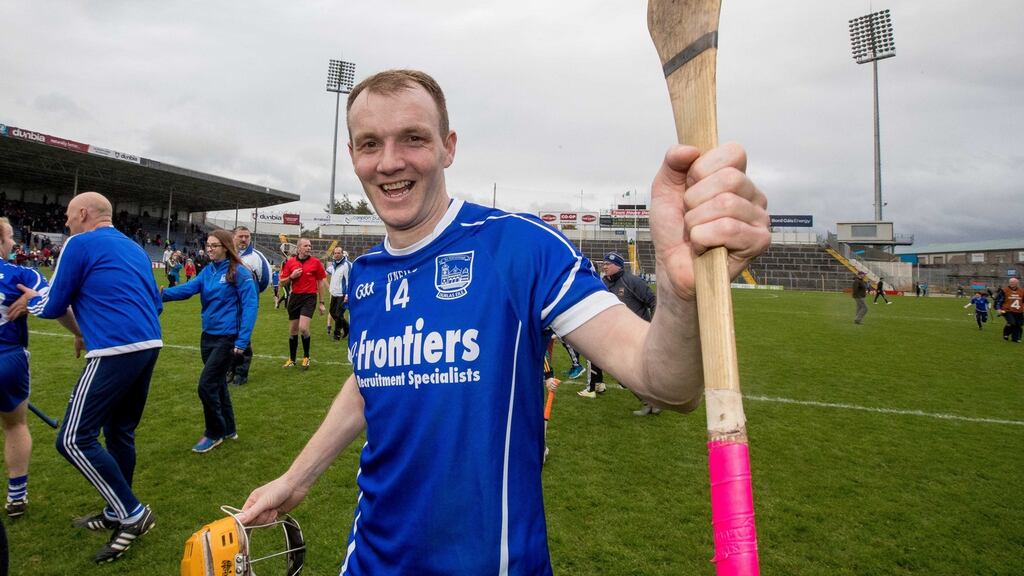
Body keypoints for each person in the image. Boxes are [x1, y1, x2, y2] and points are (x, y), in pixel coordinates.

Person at [236, 69, 769, 574]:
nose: (390, 162)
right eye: (370, 144)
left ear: (449, 146)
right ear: (352, 155)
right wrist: (295, 480)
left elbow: (666, 383)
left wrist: (679, 294)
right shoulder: (368, 275)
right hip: (370, 561)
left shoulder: (519, 247)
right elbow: (368, 383)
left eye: (413, 139)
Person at [8, 192, 161, 563]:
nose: (65, 222)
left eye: (67, 215)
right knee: (120, 431)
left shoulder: (79, 243)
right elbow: (152, 301)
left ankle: (133, 513)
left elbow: (54, 303)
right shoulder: (136, 248)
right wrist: (86, 329)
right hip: (149, 343)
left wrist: (32, 298)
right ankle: (115, 510)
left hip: (113, 350)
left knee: (72, 439)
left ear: (82, 213)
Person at [0, 217, 81, 518]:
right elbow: (56, 305)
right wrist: (80, 333)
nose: (13, 243)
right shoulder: (21, 274)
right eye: (9, 237)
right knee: (14, 426)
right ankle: (16, 496)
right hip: (8, 358)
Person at [162, 230, 257, 452]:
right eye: (208, 245)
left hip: (228, 338)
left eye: (214, 245)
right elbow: (188, 290)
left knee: (206, 385)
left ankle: (214, 432)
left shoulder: (239, 273)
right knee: (218, 383)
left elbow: (251, 307)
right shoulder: (207, 272)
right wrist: (162, 294)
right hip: (208, 337)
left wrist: (242, 340)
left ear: (225, 247)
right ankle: (229, 428)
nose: (209, 249)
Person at [579, 252, 659, 416]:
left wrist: (653, 326)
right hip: (617, 334)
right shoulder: (603, 283)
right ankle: (650, 402)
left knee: (637, 371)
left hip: (639, 333)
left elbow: (654, 301)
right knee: (623, 373)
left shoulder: (632, 281)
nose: (605, 266)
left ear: (619, 266)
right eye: (604, 263)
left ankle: (653, 401)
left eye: (608, 264)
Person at [228, 226, 270, 385]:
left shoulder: (256, 257)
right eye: (241, 236)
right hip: (229, 304)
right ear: (234, 237)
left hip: (247, 304)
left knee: (243, 336)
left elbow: (265, 281)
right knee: (229, 336)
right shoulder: (227, 254)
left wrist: (252, 297)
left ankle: (241, 374)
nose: (244, 239)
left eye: (247, 236)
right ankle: (230, 371)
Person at [279, 238, 327, 368]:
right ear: (299, 248)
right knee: (293, 331)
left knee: (303, 328)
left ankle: (306, 357)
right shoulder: (290, 263)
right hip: (295, 298)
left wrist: (321, 303)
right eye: (306, 246)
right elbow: (282, 282)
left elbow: (320, 283)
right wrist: (292, 276)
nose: (309, 248)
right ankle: (292, 360)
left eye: (310, 246)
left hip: (309, 298)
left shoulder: (316, 263)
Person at [325, 247, 352, 341]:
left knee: (339, 314)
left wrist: (347, 295)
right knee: (333, 313)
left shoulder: (346, 265)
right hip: (334, 294)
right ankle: (347, 328)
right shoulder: (333, 265)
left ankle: (337, 335)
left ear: (342, 254)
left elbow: (349, 281)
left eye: (338, 253)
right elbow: (325, 273)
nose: (336, 254)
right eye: (335, 253)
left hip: (342, 294)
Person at [998, 277, 1023, 342]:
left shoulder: (1022, 291)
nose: (1012, 283)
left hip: (1019, 311)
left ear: (1017, 283)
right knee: (1012, 323)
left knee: (1018, 325)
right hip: (1007, 310)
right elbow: (998, 301)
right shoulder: (1004, 290)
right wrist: (998, 309)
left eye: (1013, 282)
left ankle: (1015, 338)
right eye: (1011, 282)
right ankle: (1006, 334)